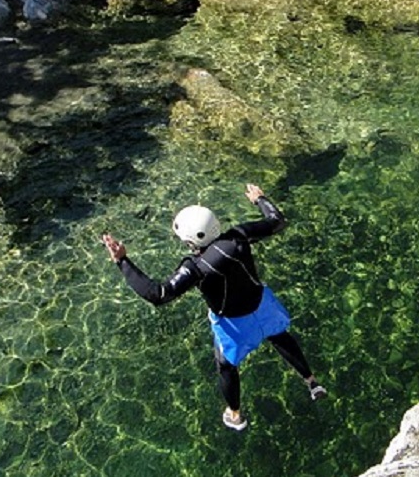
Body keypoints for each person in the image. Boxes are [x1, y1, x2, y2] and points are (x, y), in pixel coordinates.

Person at [101, 183, 326, 432]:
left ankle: (235, 415)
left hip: (234, 324)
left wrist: (122, 261)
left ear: (189, 241)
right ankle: (312, 382)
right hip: (263, 305)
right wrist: (260, 199)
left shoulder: (195, 267)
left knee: (227, 366)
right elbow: (277, 220)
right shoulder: (238, 235)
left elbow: (158, 294)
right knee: (279, 335)